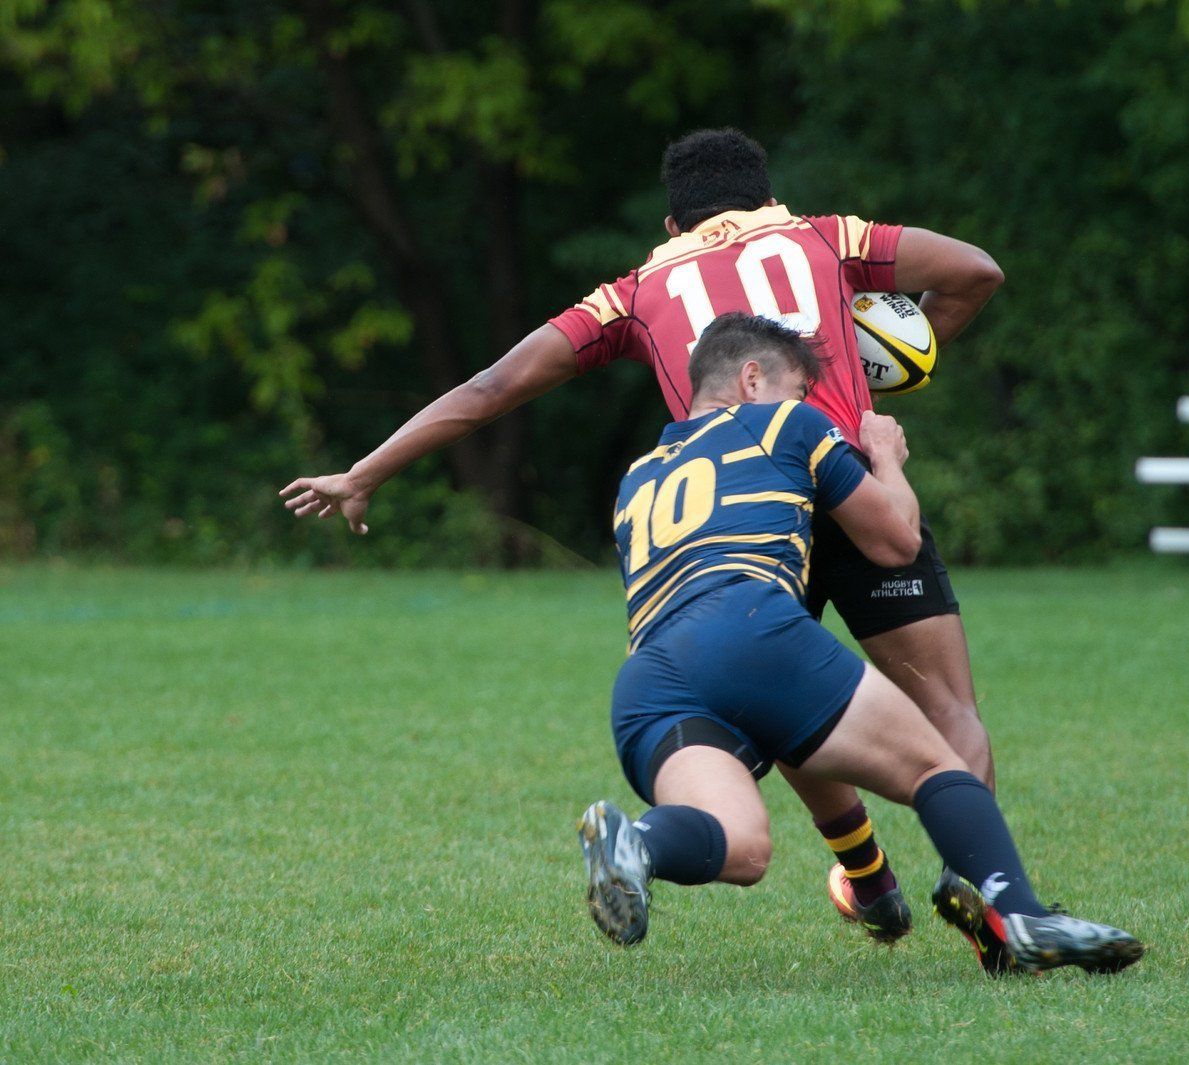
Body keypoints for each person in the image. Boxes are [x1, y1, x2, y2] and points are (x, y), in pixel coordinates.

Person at [279, 126, 1009, 965]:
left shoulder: (635, 288)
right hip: (846, 477)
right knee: (948, 706)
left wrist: (366, 472)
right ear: (768, 196)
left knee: (785, 697)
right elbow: (975, 272)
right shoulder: (822, 234)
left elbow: (494, 387)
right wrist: (895, 365)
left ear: (671, 223)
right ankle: (982, 890)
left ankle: (867, 872)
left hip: (741, 517)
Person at [579, 312, 1144, 977]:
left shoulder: (636, 478)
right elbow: (896, 541)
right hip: (748, 623)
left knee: (744, 845)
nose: (803, 407)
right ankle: (1020, 913)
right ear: (751, 378)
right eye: (796, 391)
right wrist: (886, 460)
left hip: (648, 679)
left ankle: (636, 845)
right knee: (937, 767)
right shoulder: (785, 423)